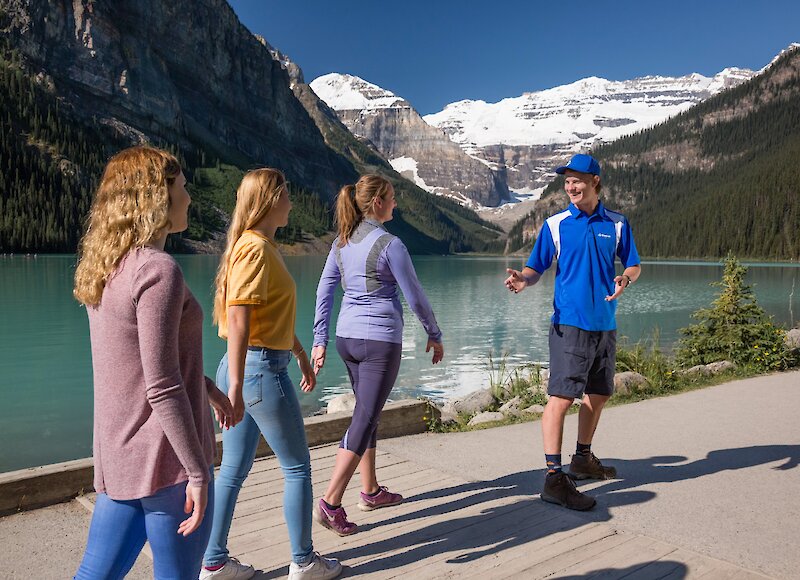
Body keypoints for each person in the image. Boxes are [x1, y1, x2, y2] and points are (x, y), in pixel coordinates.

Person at [72, 146, 234, 579]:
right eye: (181, 186)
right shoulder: (159, 270)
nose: (189, 197)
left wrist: (207, 387)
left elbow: (136, 364)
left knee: (94, 574)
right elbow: (160, 384)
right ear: (156, 196)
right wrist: (198, 471)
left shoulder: (104, 269)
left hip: (119, 454)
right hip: (168, 460)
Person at [201, 169, 341, 580]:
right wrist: (238, 387)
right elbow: (240, 319)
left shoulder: (260, 246)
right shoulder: (256, 249)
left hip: (254, 365)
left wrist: (299, 353)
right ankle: (304, 562)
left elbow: (267, 318)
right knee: (297, 467)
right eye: (286, 195)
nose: (292, 202)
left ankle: (213, 562)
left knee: (232, 469)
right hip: (257, 371)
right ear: (268, 200)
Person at [504, 154, 641, 511]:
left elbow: (634, 263)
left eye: (577, 180)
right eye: (566, 181)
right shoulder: (555, 225)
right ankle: (553, 477)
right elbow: (536, 267)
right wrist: (523, 280)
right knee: (561, 398)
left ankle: (582, 458)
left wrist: (626, 277)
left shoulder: (617, 224)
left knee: (598, 394)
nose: (570, 187)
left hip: (605, 324)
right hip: (570, 324)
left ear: (595, 180)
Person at [310, 174, 445, 536]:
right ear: (377, 204)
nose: (396, 204)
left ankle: (369, 490)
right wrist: (434, 334)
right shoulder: (391, 244)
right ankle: (330, 502)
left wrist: (319, 339)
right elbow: (415, 295)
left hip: (346, 339)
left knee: (366, 413)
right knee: (365, 418)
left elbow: (324, 292)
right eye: (392, 198)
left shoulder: (340, 244)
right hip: (379, 342)